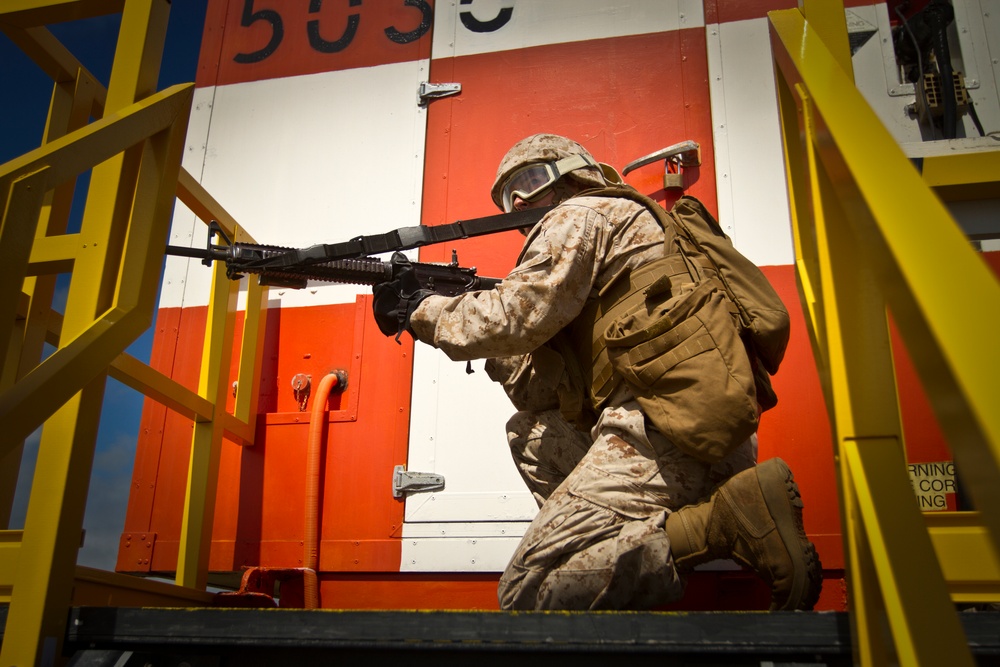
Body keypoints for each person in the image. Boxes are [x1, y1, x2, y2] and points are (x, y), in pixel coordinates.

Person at [372, 133, 821, 611]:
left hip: (661, 435)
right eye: (507, 197)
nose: (519, 199)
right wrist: (495, 349)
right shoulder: (625, 230)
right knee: (531, 436)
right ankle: (635, 543)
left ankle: (717, 525)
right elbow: (541, 392)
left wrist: (424, 311)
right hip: (694, 430)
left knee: (526, 591)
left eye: (529, 180)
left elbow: (512, 316)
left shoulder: (580, 214)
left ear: (573, 173)